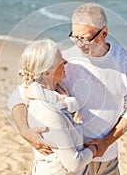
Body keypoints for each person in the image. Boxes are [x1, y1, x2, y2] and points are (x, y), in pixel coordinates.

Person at [8, 3, 127, 174]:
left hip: (109, 159)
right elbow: (18, 95)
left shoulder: (124, 58)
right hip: (77, 162)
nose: (80, 44)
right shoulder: (65, 61)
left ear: (104, 33)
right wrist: (24, 130)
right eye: (75, 37)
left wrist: (107, 142)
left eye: (85, 38)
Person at [15, 39, 97, 175]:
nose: (66, 62)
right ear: (47, 72)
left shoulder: (58, 95)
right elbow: (73, 163)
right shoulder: (48, 112)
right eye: (60, 61)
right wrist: (94, 149)